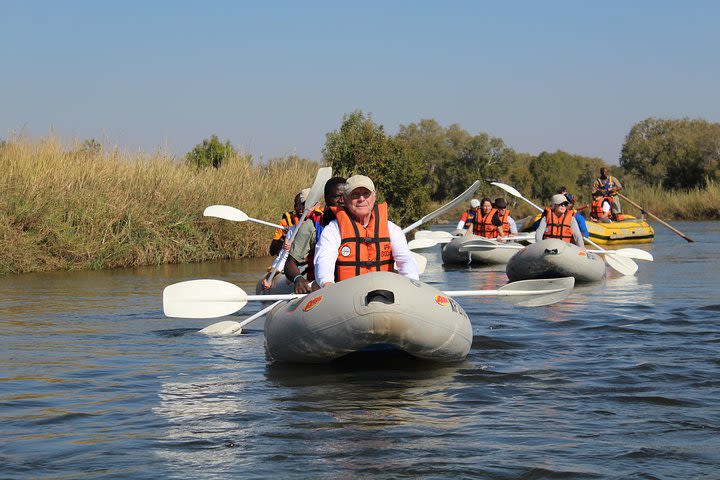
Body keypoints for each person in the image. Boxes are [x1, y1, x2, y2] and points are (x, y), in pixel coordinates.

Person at [314, 175, 419, 287]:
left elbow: (405, 260)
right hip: (347, 295)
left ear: (374, 197)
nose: (361, 199)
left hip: (385, 294)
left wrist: (412, 284)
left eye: (366, 194)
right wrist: (327, 283)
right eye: (355, 194)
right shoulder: (333, 230)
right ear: (345, 199)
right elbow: (324, 259)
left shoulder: (392, 229)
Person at [283, 176, 346, 293]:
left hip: (351, 284)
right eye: (337, 196)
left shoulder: (359, 222)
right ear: (327, 199)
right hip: (321, 288)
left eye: (345, 196)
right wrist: (298, 279)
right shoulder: (311, 226)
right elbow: (290, 263)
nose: (342, 200)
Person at [268, 192, 304, 256]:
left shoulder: (313, 220)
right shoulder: (285, 222)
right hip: (289, 257)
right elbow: (272, 251)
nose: (300, 208)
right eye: (298, 205)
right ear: (294, 207)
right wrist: (284, 238)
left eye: (303, 205)